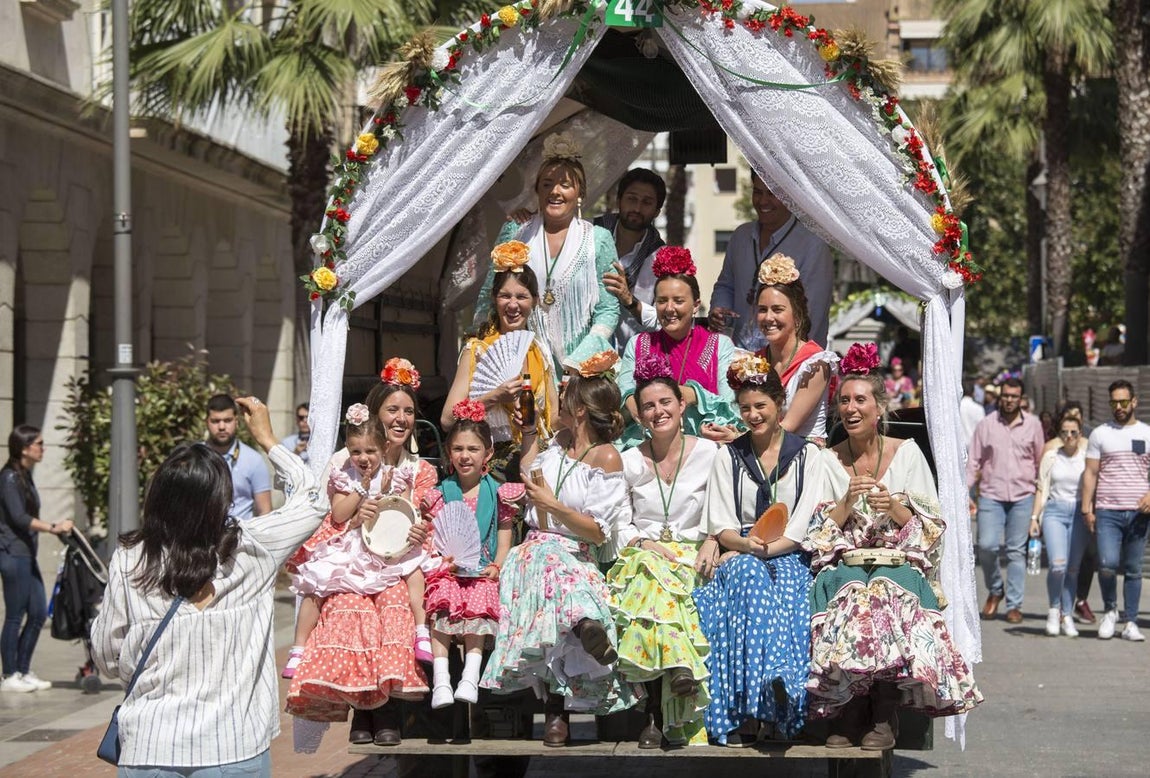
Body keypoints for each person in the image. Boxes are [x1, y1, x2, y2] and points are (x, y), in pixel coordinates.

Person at [90, 397, 327, 773]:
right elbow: (315, 501)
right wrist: (268, 439)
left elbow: (105, 654)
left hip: (150, 745)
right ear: (222, 500)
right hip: (233, 746)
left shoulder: (130, 558)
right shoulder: (251, 548)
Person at [804, 344, 982, 750]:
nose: (851, 408)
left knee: (886, 587)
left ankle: (883, 710)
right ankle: (849, 707)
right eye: (844, 400)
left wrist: (897, 508)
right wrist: (846, 504)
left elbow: (934, 529)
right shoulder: (827, 461)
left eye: (860, 399)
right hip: (845, 561)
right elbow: (814, 534)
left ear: (879, 407)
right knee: (849, 590)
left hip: (898, 559)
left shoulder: (908, 453)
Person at [480, 353, 639, 746]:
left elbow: (598, 533)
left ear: (580, 410)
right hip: (536, 550)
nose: (561, 397)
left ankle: (557, 711)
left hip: (574, 552)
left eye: (566, 394)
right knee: (543, 567)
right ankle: (584, 626)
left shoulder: (605, 456)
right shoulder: (558, 443)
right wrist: (531, 431)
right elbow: (530, 474)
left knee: (554, 573)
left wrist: (552, 506)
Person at [286, 360, 436, 746]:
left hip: (399, 561)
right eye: (392, 410)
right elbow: (330, 519)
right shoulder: (346, 463)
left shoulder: (418, 470)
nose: (400, 418)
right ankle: (362, 707)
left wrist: (419, 528)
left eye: (407, 411)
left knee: (395, 606)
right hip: (352, 558)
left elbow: (424, 519)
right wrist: (356, 517)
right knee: (348, 608)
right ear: (375, 414)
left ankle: (386, 709)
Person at [692, 356, 826, 746]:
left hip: (788, 549)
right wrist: (744, 547)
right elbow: (722, 523)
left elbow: (801, 524)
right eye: (746, 408)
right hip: (742, 548)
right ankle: (766, 696)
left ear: (779, 404)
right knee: (747, 580)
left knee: (787, 592)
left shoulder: (807, 456)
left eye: (760, 406)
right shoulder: (728, 457)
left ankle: (760, 706)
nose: (753, 415)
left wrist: (764, 551)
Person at [607, 358, 722, 747]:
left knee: (653, 587)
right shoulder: (628, 460)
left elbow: (724, 507)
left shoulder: (710, 453)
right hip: (645, 552)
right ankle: (673, 677)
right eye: (649, 406)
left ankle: (654, 716)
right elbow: (620, 519)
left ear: (681, 404)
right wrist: (641, 542)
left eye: (665, 402)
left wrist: (713, 538)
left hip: (695, 552)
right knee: (647, 576)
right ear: (639, 415)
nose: (658, 412)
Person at [473, 132, 620, 370]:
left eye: (565, 185)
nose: (555, 192)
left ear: (580, 193)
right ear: (537, 191)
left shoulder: (598, 239)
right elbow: (490, 294)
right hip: (522, 361)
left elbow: (608, 308)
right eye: (547, 184)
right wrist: (484, 345)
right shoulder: (516, 232)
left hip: (582, 369)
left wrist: (580, 362)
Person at [422, 401, 517, 708]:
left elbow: (504, 532)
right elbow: (431, 533)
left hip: (481, 571)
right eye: (459, 449)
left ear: (487, 453)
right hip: (449, 569)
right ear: (449, 453)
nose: (465, 456)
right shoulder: (439, 493)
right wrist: (440, 561)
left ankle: (470, 677)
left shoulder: (498, 492)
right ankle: (441, 681)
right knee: (440, 610)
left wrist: (498, 564)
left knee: (478, 605)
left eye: (473, 449)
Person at [442, 252, 557, 481]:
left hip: (537, 457)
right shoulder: (476, 351)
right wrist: (495, 396)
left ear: (534, 300)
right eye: (505, 296)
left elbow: (554, 416)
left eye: (521, 297)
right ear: (495, 299)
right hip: (493, 465)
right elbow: (447, 419)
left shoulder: (540, 352)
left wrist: (533, 418)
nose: (513, 305)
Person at [616, 246, 742, 448]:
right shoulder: (639, 344)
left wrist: (695, 394)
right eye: (662, 301)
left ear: (695, 305)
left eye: (679, 301)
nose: (669, 308)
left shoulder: (719, 345)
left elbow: (728, 406)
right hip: (647, 447)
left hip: (703, 447)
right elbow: (626, 394)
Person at [708, 173, 833, 350]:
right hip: (738, 359)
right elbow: (725, 285)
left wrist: (782, 363)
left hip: (790, 364)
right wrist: (720, 309)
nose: (763, 201)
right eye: (758, 192)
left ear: (790, 196)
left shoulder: (813, 245)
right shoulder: (740, 236)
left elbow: (811, 316)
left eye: (772, 194)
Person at [1, 426, 73, 693]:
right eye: (39, 444)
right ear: (23, 447)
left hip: (26, 554)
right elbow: (19, 517)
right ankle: (9, 674)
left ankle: (22, 669)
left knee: (38, 613)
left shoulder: (23, 476)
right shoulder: (8, 478)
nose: (43, 448)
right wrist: (53, 527)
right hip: (12, 554)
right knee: (15, 615)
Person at [967, 377, 1045, 624]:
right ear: (1000, 396)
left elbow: (1040, 462)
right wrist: (962, 493)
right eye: (1006, 396)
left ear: (1021, 399)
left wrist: (1041, 500)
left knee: (1015, 552)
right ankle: (995, 589)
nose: (1010, 400)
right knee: (987, 547)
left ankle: (1014, 604)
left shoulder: (1033, 425)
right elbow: (973, 462)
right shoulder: (986, 425)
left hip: (1023, 497)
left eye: (1014, 396)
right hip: (991, 495)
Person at [1079, 380, 1150, 641]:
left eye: (1123, 402)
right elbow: (1090, 472)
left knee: (1133, 568)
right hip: (1107, 510)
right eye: (1113, 403)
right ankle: (1110, 611)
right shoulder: (1100, 434)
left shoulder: (1146, 433)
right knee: (1107, 564)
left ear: (1134, 402)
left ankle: (1131, 621)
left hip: (1138, 512)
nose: (1118, 407)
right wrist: (1087, 508)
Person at [753, 254, 838, 443]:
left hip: (802, 457)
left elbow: (788, 427)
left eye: (777, 310)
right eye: (762, 309)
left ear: (797, 314)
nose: (768, 318)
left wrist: (736, 438)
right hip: (760, 452)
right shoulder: (755, 362)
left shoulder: (816, 364)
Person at [1030, 414, 1088, 637]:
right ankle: (1054, 610)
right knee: (1057, 565)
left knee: (1073, 569)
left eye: (1074, 432)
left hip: (1078, 512)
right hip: (1054, 511)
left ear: (1080, 434)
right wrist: (1034, 518)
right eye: (1065, 432)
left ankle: (1067, 614)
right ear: (1060, 434)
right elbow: (1041, 488)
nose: (1069, 436)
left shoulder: (1086, 457)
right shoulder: (1052, 457)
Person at [596, 168, 667, 346]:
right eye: (631, 199)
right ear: (619, 200)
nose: (637, 208)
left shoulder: (661, 258)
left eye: (646, 202)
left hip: (632, 360)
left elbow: (666, 320)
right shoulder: (589, 233)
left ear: (657, 211)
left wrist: (630, 301)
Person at [205, 394, 272, 519]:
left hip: (240, 536)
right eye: (215, 421)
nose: (221, 427)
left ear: (236, 421)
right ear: (207, 422)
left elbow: (265, 511)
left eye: (227, 420)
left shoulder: (254, 460)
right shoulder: (195, 457)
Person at [960, 381, 985, 450]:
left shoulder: (957, 407)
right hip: (974, 446)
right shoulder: (978, 408)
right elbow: (982, 430)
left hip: (959, 446)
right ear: (973, 393)